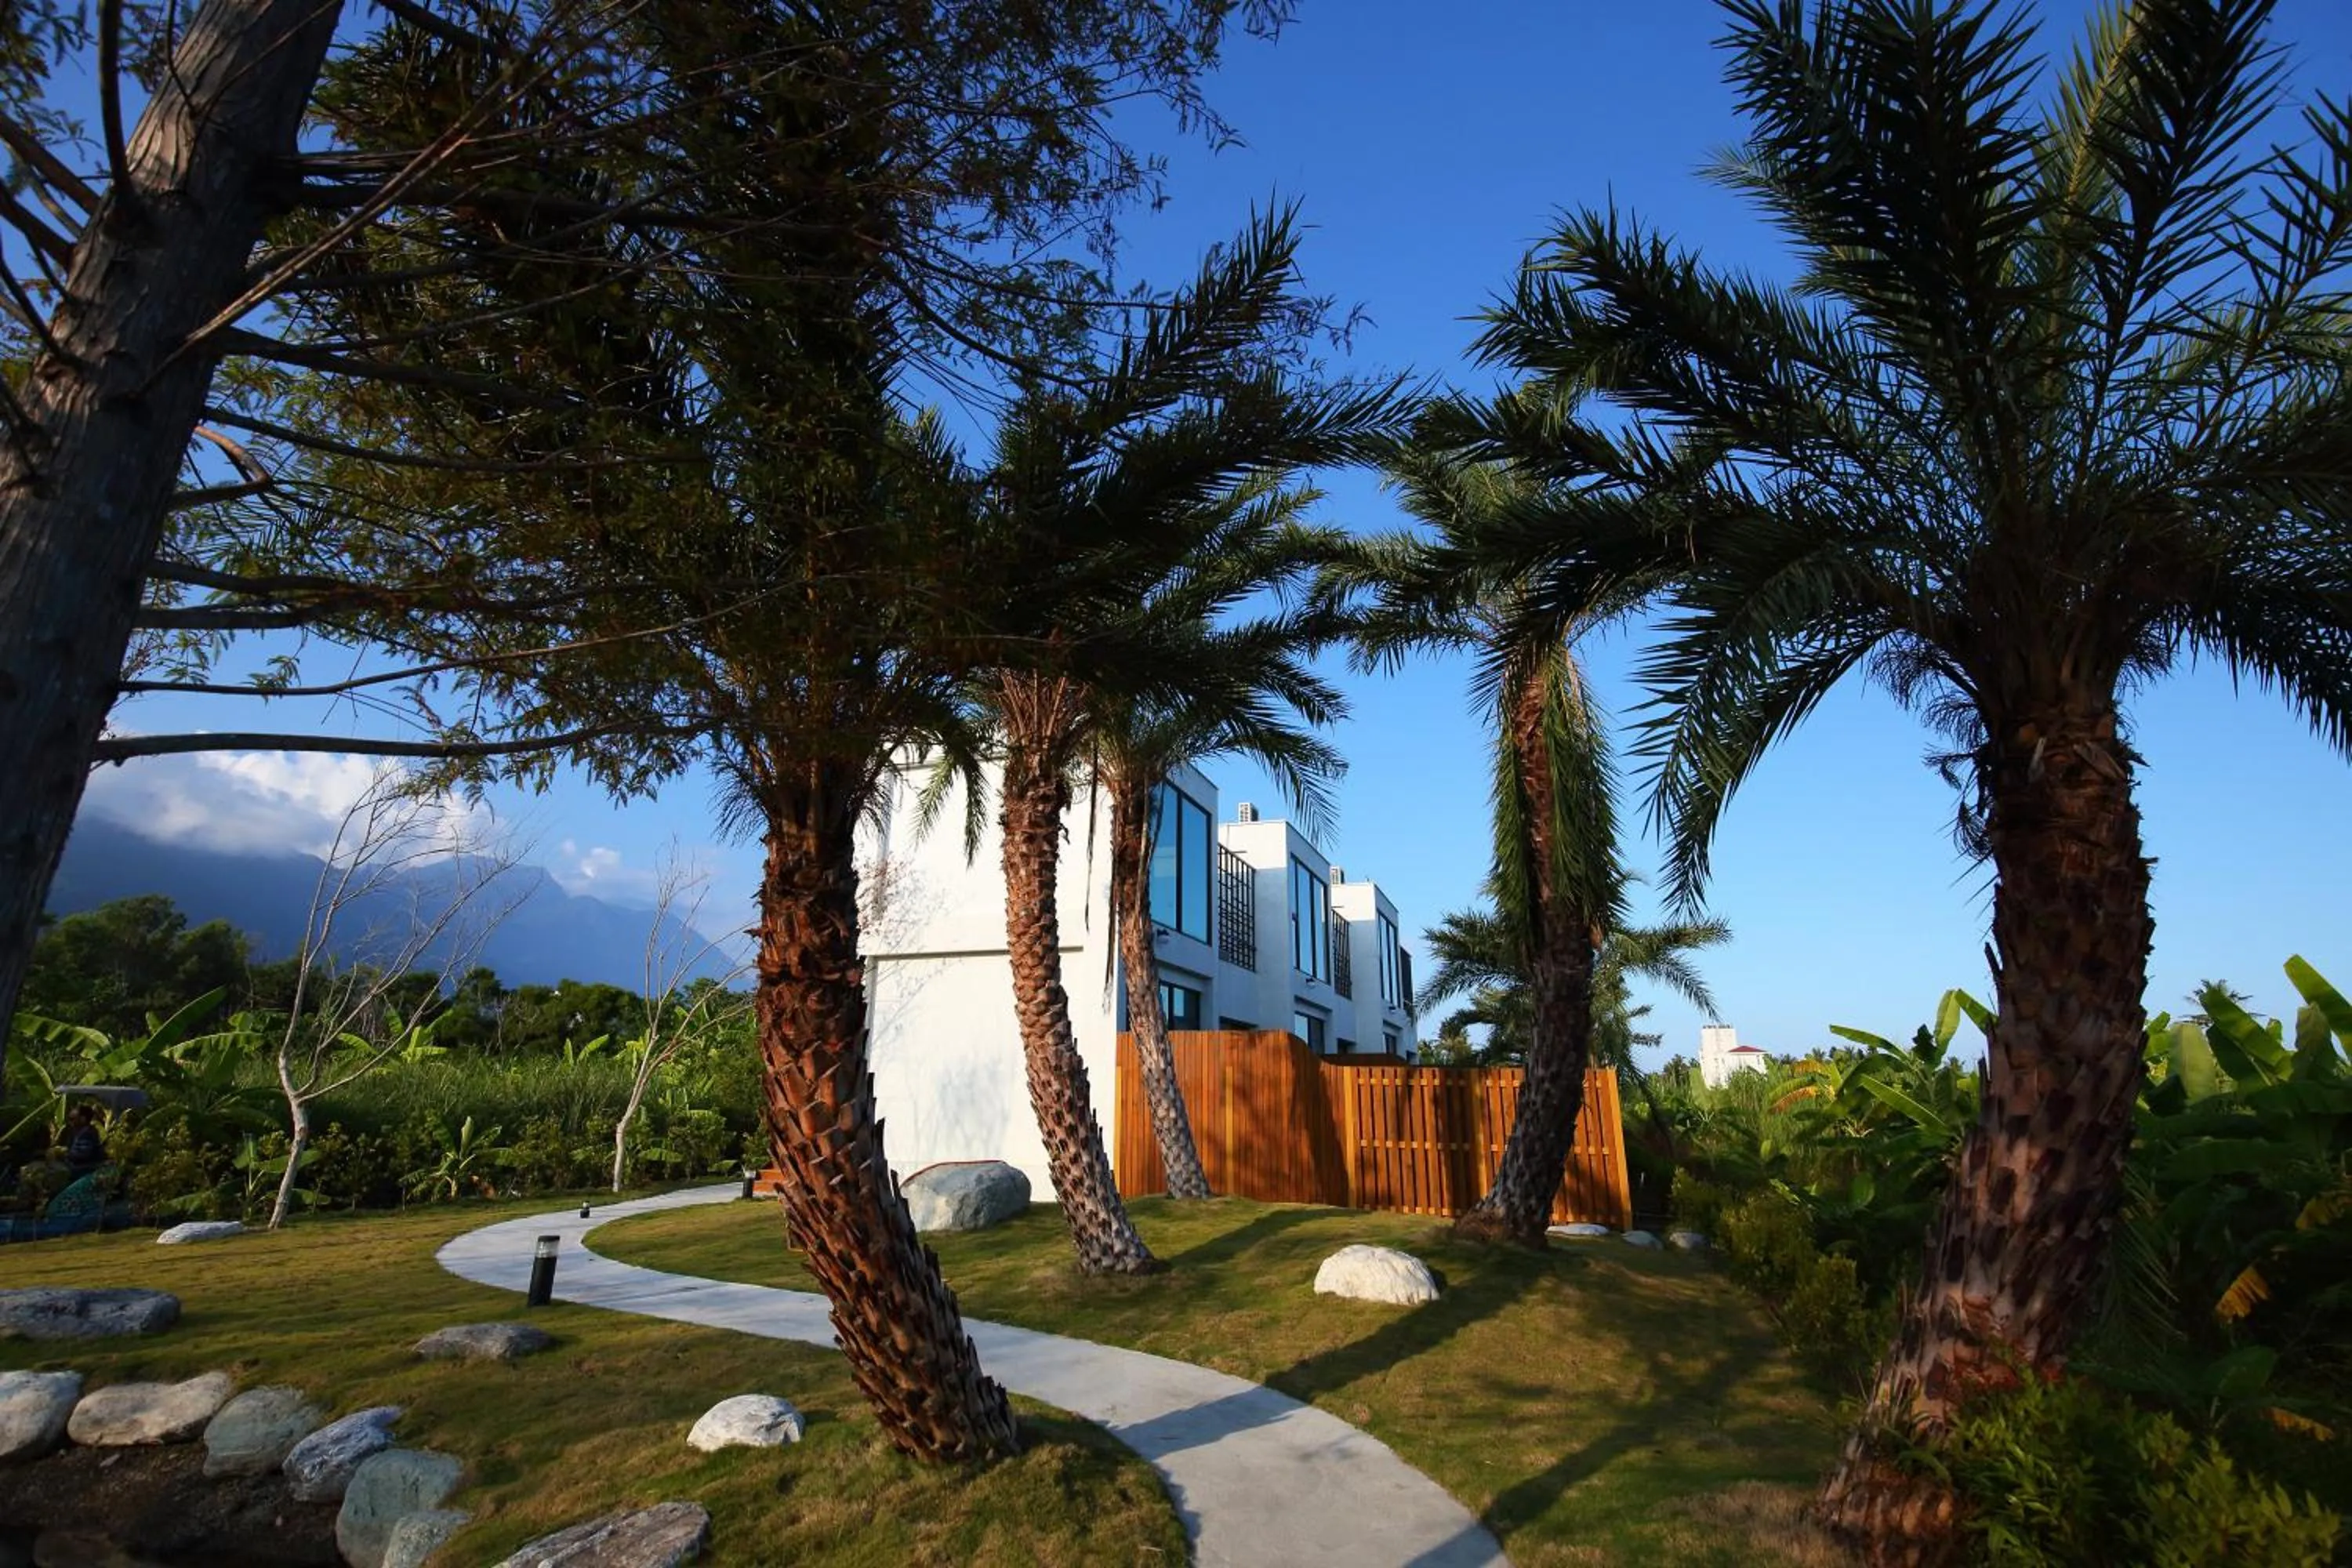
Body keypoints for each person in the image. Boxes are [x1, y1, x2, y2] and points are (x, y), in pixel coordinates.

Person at [62, 1105, 105, 1176]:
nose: (71, 1123)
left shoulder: (88, 1133)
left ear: (83, 1119)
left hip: (83, 1170)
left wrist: (64, 1155)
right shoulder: (79, 1132)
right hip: (78, 1168)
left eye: (73, 1119)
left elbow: (82, 1155)